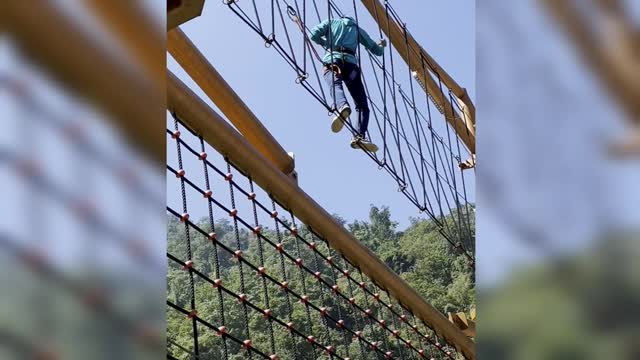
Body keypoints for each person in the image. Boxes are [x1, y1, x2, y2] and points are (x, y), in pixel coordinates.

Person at [310, 16, 386, 149]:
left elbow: (313, 35)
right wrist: (382, 45)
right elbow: (376, 50)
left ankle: (342, 106)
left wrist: (326, 43)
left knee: (335, 83)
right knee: (362, 104)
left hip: (333, 59)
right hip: (351, 67)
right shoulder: (357, 30)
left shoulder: (331, 22)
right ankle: (359, 136)